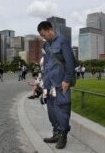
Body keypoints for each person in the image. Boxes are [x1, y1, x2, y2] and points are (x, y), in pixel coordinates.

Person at [38, 21, 75, 149]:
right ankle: (56, 133)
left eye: (44, 34)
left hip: (61, 83)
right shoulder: (46, 45)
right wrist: (42, 84)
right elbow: (46, 65)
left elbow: (70, 62)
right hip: (49, 84)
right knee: (52, 110)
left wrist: (67, 80)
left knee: (62, 109)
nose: (43, 37)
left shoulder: (62, 41)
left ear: (50, 29)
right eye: (41, 35)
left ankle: (63, 137)